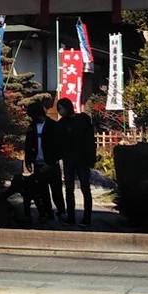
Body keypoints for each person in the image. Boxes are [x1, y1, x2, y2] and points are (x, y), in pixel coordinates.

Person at [56, 97, 95, 226]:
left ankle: (86, 217)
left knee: (84, 188)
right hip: (69, 159)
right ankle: (71, 216)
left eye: (60, 108)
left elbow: (90, 141)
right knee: (69, 188)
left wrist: (91, 158)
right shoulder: (62, 123)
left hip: (81, 158)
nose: (59, 111)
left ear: (67, 108)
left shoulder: (82, 120)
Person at [21, 100, 62, 225]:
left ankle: (61, 211)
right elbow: (28, 145)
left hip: (51, 163)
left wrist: (51, 162)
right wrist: (28, 160)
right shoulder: (32, 127)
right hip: (38, 163)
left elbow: (58, 146)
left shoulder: (53, 125)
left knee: (56, 190)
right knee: (42, 190)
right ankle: (47, 212)